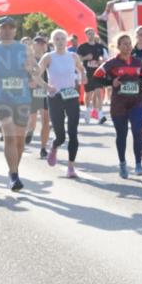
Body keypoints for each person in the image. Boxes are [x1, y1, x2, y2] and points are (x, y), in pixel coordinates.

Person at [0, 16, 44, 191]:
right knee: (9, 135)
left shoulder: (24, 49)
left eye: (11, 27)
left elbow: (36, 69)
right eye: (4, 27)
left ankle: (14, 171)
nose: (7, 30)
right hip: (2, 98)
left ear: (15, 30)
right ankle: (14, 175)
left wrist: (31, 72)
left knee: (19, 140)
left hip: (23, 98)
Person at [95, 33, 142, 178]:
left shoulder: (138, 62)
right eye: (124, 44)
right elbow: (96, 76)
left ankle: (138, 164)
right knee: (122, 135)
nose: (128, 46)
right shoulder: (112, 63)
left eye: (129, 43)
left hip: (136, 101)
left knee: (138, 132)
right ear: (118, 47)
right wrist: (110, 83)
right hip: (119, 103)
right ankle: (123, 164)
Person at [40, 29, 87, 178]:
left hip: (71, 96)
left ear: (66, 41)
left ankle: (71, 167)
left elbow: (81, 69)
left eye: (62, 39)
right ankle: (54, 146)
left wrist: (83, 76)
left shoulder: (72, 56)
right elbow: (35, 75)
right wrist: (47, 87)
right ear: (52, 42)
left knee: (73, 132)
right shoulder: (48, 57)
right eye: (57, 39)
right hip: (55, 98)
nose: (60, 42)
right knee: (60, 135)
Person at [26, 36, 52, 158]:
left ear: (45, 46)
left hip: (46, 91)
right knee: (32, 120)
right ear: (33, 45)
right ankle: (30, 131)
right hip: (32, 92)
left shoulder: (50, 58)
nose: (40, 46)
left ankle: (43, 148)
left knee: (45, 120)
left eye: (43, 44)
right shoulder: (28, 59)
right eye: (38, 43)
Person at [77, 28, 108, 125]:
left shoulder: (99, 46)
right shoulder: (82, 47)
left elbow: (105, 58)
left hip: (98, 73)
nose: (91, 35)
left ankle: (100, 114)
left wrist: (101, 61)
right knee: (88, 94)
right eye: (89, 34)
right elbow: (77, 59)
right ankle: (87, 111)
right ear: (86, 35)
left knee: (99, 92)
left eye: (92, 33)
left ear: (94, 35)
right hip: (87, 73)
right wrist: (86, 58)